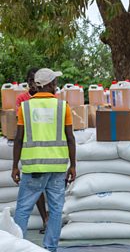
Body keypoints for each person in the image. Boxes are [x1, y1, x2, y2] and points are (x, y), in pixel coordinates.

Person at [11, 68, 76, 252]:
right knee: (56, 209)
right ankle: (50, 248)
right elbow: (70, 137)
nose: (56, 85)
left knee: (23, 209)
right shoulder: (63, 107)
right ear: (50, 85)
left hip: (33, 167)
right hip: (57, 167)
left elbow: (19, 138)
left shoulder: (25, 107)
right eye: (55, 82)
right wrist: (73, 165)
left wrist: (15, 166)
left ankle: (17, 247)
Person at [15, 67, 49, 234]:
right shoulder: (22, 99)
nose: (33, 84)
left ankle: (48, 222)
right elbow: (20, 128)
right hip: (31, 150)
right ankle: (45, 219)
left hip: (49, 150)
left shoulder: (52, 98)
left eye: (35, 81)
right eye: (30, 81)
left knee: (44, 187)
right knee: (34, 189)